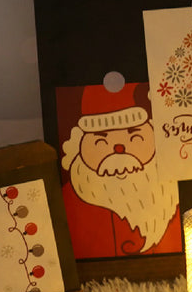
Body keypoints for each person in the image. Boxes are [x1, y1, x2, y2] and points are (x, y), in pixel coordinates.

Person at [59, 80, 181, 257]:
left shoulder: (170, 193)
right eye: (101, 141)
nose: (119, 149)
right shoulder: (69, 200)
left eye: (134, 136)